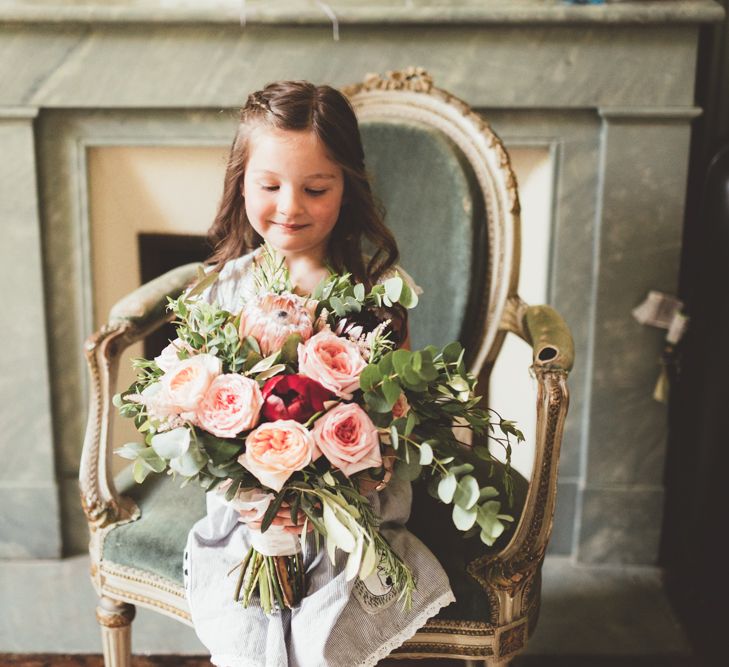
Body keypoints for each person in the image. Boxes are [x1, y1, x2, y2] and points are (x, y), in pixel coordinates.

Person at [183, 80, 455, 667]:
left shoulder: (376, 292)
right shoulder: (225, 287)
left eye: (315, 188)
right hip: (250, 503)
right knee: (246, 624)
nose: (289, 207)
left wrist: (329, 491)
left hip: (352, 502)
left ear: (347, 187)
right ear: (242, 183)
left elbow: (396, 422)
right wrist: (255, 494)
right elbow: (199, 415)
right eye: (270, 185)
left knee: (323, 624)